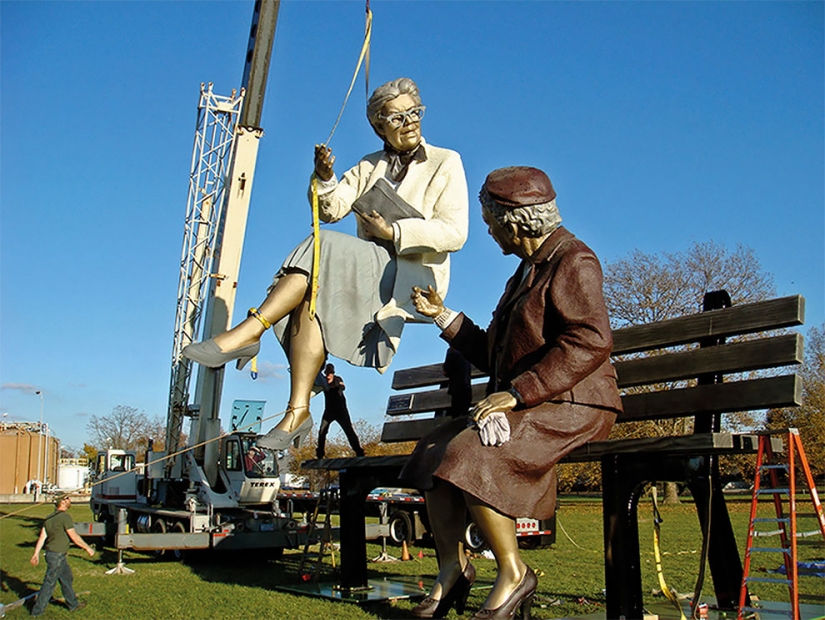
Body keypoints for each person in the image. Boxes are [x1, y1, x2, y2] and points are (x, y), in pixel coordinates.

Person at [183, 77, 469, 452]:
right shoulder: (370, 166)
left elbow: (455, 233)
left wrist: (393, 229)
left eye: (414, 113)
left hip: (410, 278)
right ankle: (297, 411)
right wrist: (325, 177)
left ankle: (250, 332)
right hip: (365, 272)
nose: (410, 122)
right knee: (309, 297)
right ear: (379, 126)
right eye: (397, 118)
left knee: (324, 247)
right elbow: (331, 209)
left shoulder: (446, 162)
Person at [404, 166, 623, 620]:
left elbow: (590, 340)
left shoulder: (573, 260)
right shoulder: (527, 270)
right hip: (539, 400)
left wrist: (518, 393)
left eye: (490, 219)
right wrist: (443, 316)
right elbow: (499, 356)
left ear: (515, 217)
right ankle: (453, 571)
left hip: (576, 405)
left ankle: (513, 574)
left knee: (470, 453)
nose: (487, 229)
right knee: (430, 452)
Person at [30, 494, 95, 616]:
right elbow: (74, 536)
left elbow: (42, 537)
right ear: (63, 502)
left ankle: (73, 604)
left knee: (67, 577)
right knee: (49, 583)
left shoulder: (49, 518)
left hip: (53, 554)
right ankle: (37, 611)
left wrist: (36, 553)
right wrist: (87, 548)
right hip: (57, 555)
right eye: (68, 498)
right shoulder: (65, 517)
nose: (70, 500)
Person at [315, 363, 365, 459]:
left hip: (341, 410)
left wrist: (336, 386)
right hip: (329, 411)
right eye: (327, 373)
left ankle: (359, 451)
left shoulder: (338, 379)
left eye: (330, 373)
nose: (329, 375)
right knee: (322, 431)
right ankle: (320, 453)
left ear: (333, 374)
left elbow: (342, 387)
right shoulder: (323, 381)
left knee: (348, 430)